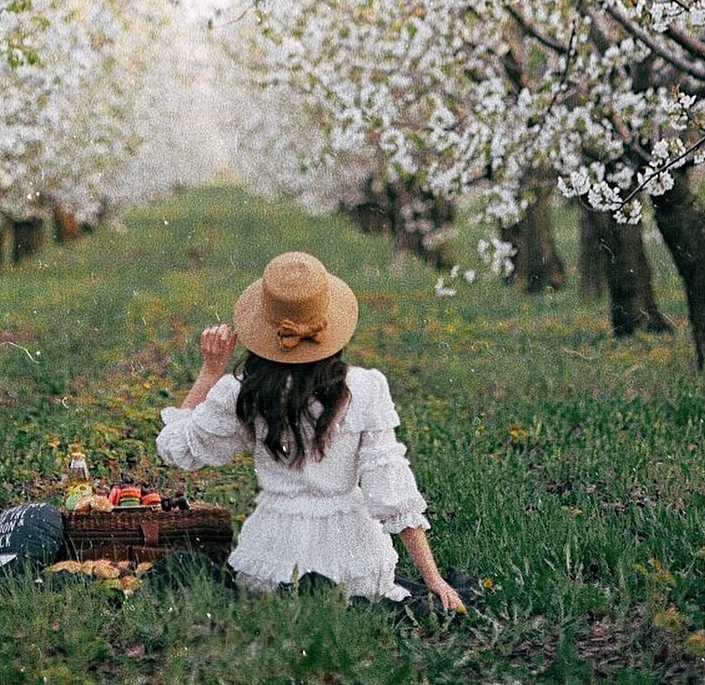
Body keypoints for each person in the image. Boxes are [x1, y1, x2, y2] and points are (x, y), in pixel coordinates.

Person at [155, 250, 469, 612]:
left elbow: (176, 448)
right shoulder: (365, 389)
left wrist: (210, 370)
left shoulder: (244, 391)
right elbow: (391, 488)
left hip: (271, 567)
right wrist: (432, 579)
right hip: (355, 567)